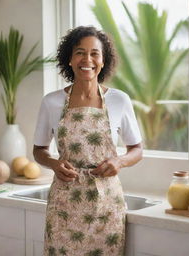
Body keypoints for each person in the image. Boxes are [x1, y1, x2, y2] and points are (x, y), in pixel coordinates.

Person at [33, 26, 142, 256]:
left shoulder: (119, 101)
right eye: (80, 52)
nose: (87, 59)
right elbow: (39, 150)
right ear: (70, 60)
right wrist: (53, 163)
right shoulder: (51, 102)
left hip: (106, 206)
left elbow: (137, 150)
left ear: (103, 61)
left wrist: (120, 162)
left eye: (95, 53)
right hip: (64, 205)